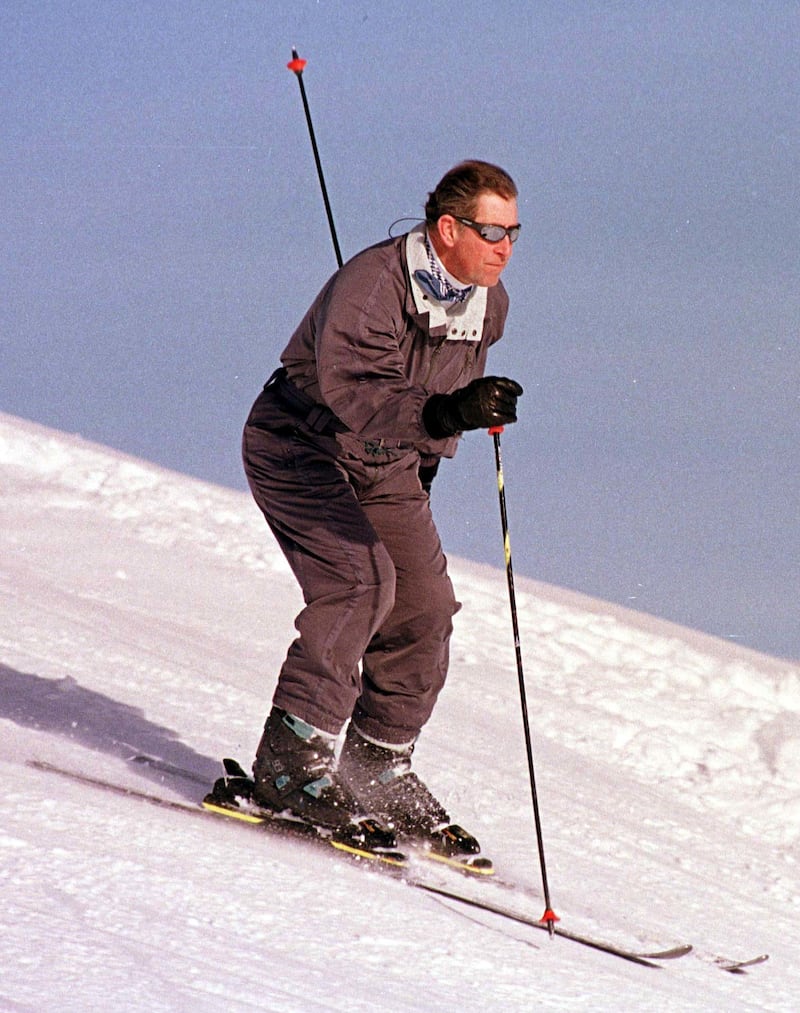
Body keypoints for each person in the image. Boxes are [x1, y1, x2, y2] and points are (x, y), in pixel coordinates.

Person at [240, 160, 523, 849]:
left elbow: (436, 409)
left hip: (388, 462)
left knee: (424, 602)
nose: (505, 247)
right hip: (302, 442)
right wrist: (450, 411)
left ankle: (377, 763)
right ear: (448, 227)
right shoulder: (375, 283)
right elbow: (358, 392)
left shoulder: (490, 303)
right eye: (492, 231)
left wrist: (430, 457)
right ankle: (290, 757)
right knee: (362, 583)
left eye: (515, 232)